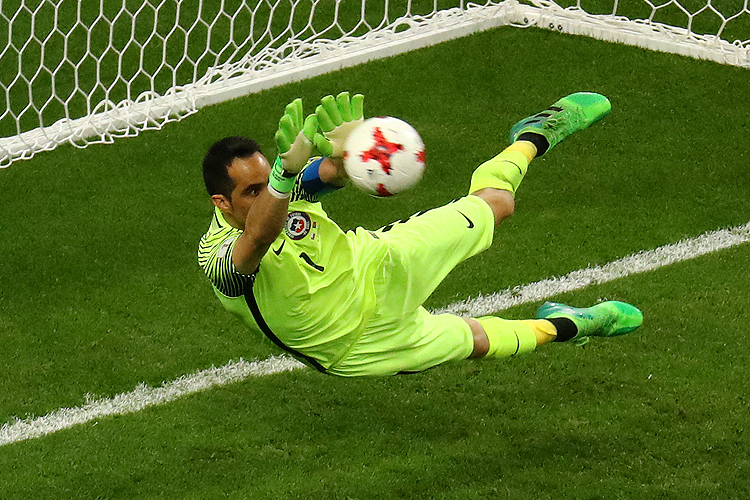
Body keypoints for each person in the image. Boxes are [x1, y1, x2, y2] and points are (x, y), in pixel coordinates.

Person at [198, 91, 643, 376]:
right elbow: (257, 238)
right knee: (478, 340)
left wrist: (351, 149)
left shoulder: (284, 185)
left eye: (266, 184)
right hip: (355, 344)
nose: (264, 195)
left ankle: (533, 133)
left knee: (498, 204)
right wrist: (279, 178)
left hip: (374, 263)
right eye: (250, 191)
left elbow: (329, 175)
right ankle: (571, 323)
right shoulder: (215, 254)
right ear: (222, 203)